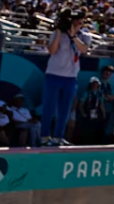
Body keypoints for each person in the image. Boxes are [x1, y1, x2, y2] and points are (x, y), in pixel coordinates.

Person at [41, 8, 90, 147]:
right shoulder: (58, 33)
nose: (78, 24)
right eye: (76, 21)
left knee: (65, 109)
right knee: (49, 108)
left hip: (70, 77)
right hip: (53, 74)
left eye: (81, 22)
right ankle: (45, 136)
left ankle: (58, 137)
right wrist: (58, 31)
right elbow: (52, 50)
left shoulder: (84, 35)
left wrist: (74, 36)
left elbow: (84, 49)